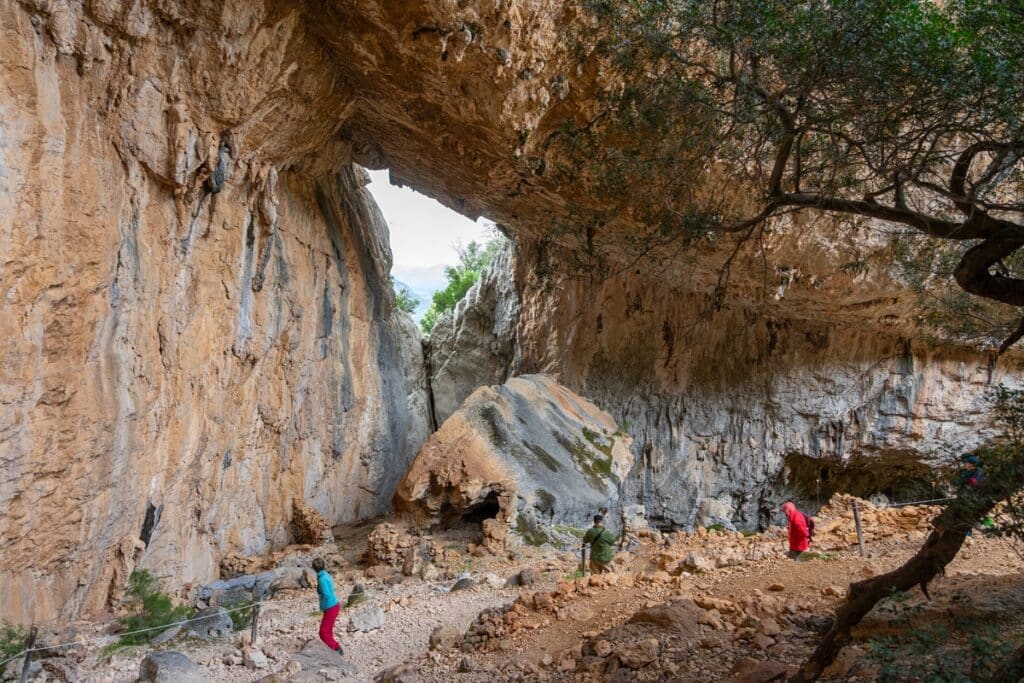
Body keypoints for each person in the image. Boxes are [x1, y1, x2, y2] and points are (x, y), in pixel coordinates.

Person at [312, 557, 344, 655]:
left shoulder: (322, 579)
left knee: (323, 632)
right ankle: (332, 648)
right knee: (328, 630)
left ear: (314, 568)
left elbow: (327, 594)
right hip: (334, 605)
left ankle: (336, 648)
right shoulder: (326, 575)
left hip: (330, 607)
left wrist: (323, 603)